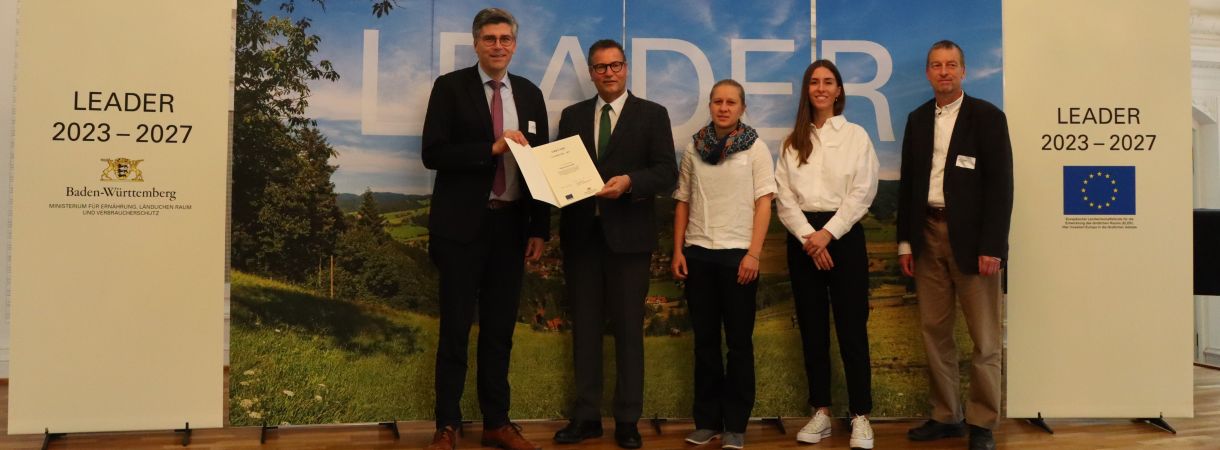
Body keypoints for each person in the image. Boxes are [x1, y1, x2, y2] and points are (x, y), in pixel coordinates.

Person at [419, 7, 549, 450]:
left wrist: (540, 229)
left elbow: (543, 167)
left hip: (511, 228)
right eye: (490, 38)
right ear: (476, 43)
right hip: (460, 228)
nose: (498, 45)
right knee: (455, 328)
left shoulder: (530, 94)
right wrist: (490, 149)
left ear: (515, 44)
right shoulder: (450, 88)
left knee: (499, 331)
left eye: (505, 39)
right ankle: (447, 425)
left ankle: (497, 422)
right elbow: (433, 154)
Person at [551, 39, 677, 450]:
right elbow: (560, 172)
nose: (608, 73)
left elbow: (666, 174)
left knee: (627, 333)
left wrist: (629, 183)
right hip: (582, 238)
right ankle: (586, 418)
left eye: (615, 65)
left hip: (630, 241)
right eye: (600, 67)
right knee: (584, 332)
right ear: (590, 72)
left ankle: (627, 420)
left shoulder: (653, 115)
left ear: (626, 69)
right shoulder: (571, 116)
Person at [897, 40, 1012, 450]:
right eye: (936, 65)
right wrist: (905, 243)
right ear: (927, 73)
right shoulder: (916, 120)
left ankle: (982, 423)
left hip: (974, 242)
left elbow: (1001, 187)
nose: (944, 72)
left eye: (951, 65)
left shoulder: (987, 117)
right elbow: (909, 184)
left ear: (964, 71)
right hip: (926, 234)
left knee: (984, 339)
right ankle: (946, 416)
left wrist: (993, 246)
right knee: (934, 331)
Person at [775, 60, 879, 450]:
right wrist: (809, 237)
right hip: (803, 242)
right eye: (814, 82)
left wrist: (828, 234)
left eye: (828, 82)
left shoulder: (855, 136)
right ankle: (820, 411)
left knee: (852, 328)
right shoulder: (792, 142)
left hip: (844, 237)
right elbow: (784, 198)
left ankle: (860, 416)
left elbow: (863, 192)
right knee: (813, 329)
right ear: (807, 90)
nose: (820, 88)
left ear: (838, 91)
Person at [671, 79, 775, 450]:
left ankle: (736, 425)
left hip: (738, 258)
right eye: (718, 101)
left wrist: (754, 253)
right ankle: (708, 422)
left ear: (742, 108)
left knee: (739, 345)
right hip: (698, 255)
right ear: (710, 105)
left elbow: (765, 202)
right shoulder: (694, 148)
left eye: (731, 102)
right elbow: (682, 200)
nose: (724, 108)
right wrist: (678, 250)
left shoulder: (756, 149)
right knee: (705, 344)